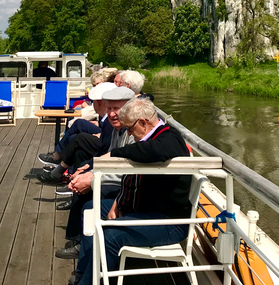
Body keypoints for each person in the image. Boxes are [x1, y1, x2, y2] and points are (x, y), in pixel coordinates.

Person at [72, 97, 192, 285]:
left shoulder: (170, 137)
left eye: (129, 128)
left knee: (110, 234)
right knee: (91, 209)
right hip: (143, 210)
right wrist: (119, 201)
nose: (128, 133)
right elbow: (133, 178)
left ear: (143, 123)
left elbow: (155, 151)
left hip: (168, 221)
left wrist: (114, 153)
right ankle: (84, 273)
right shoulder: (150, 137)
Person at [54, 89, 136, 259]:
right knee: (83, 176)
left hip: (130, 184)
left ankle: (82, 244)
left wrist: (92, 179)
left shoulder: (134, 133)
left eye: (117, 109)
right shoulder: (118, 129)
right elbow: (112, 158)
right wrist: (88, 172)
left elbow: (128, 170)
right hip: (122, 178)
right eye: (109, 109)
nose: (112, 114)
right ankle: (78, 238)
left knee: (92, 190)